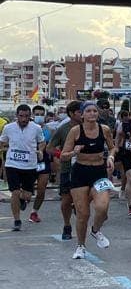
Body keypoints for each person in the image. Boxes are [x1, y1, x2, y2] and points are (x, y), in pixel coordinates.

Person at [62, 102, 117, 259]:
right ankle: (80, 246)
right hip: (80, 172)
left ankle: (95, 230)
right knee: (83, 213)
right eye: (89, 111)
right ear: (82, 114)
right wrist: (74, 152)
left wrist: (111, 157)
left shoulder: (104, 129)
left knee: (102, 206)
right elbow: (63, 155)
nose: (92, 113)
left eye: (95, 111)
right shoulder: (75, 131)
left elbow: (112, 147)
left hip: (99, 172)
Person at [2, 104, 45, 232]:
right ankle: (17, 220)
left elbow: (42, 141)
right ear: (17, 116)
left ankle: (23, 199)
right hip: (12, 164)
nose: (24, 119)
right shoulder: (8, 128)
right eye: (21, 116)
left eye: (27, 116)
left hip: (29, 165)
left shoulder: (36, 128)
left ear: (30, 116)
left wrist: (40, 150)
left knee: (27, 195)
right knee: (14, 192)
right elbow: (3, 141)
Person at [47, 100, 82, 241]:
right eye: (80, 112)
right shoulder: (63, 129)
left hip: (86, 168)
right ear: (72, 114)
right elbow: (49, 148)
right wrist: (60, 156)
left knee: (86, 198)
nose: (83, 114)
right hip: (68, 168)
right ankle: (67, 225)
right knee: (66, 200)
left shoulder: (89, 127)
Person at [29, 104, 51, 224]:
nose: (39, 117)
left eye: (41, 115)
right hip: (28, 162)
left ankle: (34, 212)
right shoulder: (28, 128)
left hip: (44, 161)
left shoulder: (50, 130)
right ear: (32, 115)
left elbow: (54, 145)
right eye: (37, 115)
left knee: (41, 189)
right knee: (27, 190)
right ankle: (23, 199)